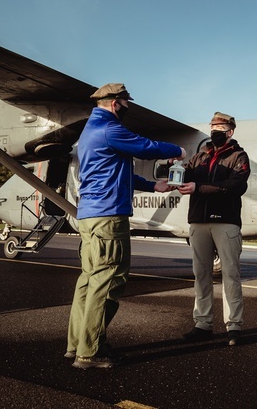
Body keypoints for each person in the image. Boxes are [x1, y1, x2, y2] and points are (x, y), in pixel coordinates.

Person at [66, 83, 186, 369]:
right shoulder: (110, 129)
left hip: (90, 215)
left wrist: (151, 185)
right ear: (114, 102)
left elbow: (116, 173)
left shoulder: (91, 132)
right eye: (125, 102)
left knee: (89, 281)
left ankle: (76, 344)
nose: (128, 107)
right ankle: (91, 352)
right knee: (108, 280)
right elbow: (146, 147)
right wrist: (178, 150)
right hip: (108, 216)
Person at [177, 112, 250, 346]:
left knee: (230, 274)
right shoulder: (199, 157)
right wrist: (174, 167)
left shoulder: (239, 156)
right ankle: (202, 323)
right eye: (213, 126)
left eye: (220, 127)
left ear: (230, 131)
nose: (215, 130)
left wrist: (200, 187)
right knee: (201, 275)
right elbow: (184, 175)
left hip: (226, 222)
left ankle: (234, 325)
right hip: (198, 221)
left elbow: (235, 185)